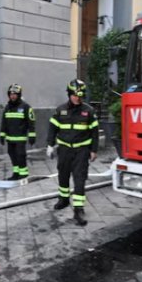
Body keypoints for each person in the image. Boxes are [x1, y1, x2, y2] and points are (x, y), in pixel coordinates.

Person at [46, 79, 99, 226]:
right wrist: (50, 145)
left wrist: (94, 150)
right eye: (75, 95)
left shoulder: (89, 111)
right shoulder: (60, 110)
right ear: (69, 94)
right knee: (63, 175)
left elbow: (94, 132)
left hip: (81, 151)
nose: (77, 98)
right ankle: (63, 199)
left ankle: (78, 209)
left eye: (80, 95)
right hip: (64, 150)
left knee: (79, 179)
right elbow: (52, 128)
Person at [0, 84, 36, 181]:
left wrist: (32, 135)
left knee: (20, 155)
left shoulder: (26, 107)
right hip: (10, 138)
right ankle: (16, 173)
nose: (12, 96)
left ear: (19, 95)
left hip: (20, 137)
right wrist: (2, 135)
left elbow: (31, 122)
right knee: (12, 154)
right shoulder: (7, 107)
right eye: (11, 94)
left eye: (15, 94)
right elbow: (4, 122)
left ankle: (23, 174)